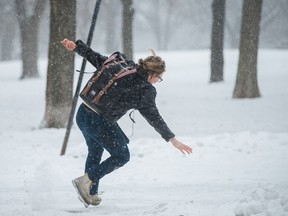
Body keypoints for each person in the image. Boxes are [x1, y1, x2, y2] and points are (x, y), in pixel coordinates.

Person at [61, 38, 193, 208]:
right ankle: (86, 181)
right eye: (159, 79)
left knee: (95, 150)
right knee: (122, 155)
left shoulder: (122, 65)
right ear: (153, 75)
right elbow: (154, 117)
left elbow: (97, 58)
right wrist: (172, 139)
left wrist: (77, 47)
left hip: (82, 114)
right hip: (97, 121)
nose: (157, 82)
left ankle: (90, 192)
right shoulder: (144, 89)